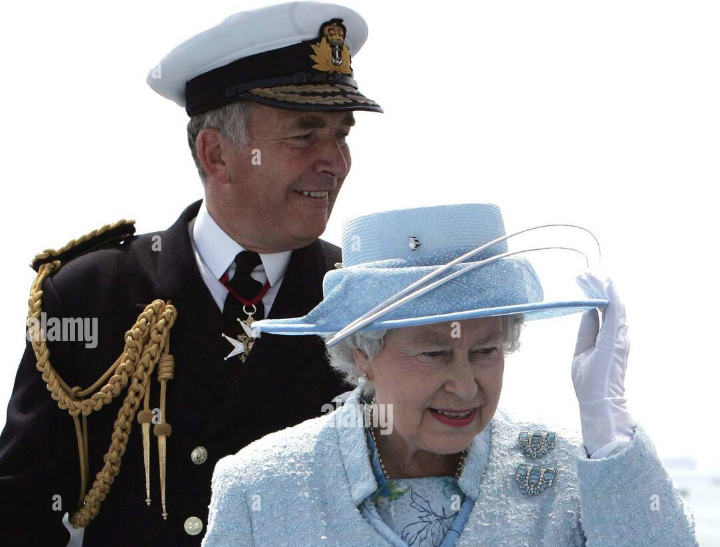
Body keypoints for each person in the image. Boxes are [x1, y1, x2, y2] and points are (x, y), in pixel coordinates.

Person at [0, 3, 382, 546]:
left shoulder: (364, 296)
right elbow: (22, 507)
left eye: (342, 135)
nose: (335, 161)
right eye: (304, 136)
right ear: (217, 155)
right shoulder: (91, 294)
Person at [200, 203, 698, 547]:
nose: (464, 386)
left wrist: (609, 431)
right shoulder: (258, 489)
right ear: (363, 354)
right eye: (435, 354)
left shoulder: (571, 475)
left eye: (485, 351)